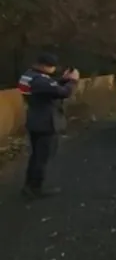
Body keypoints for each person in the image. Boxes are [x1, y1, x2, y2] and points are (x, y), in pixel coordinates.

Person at [17, 53, 79, 198]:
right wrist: (73, 81)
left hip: (35, 120)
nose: (53, 70)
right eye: (52, 67)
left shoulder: (28, 76)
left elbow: (49, 86)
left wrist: (63, 80)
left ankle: (28, 186)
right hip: (46, 122)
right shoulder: (40, 81)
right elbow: (63, 92)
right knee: (42, 158)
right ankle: (35, 189)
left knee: (35, 156)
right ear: (44, 66)